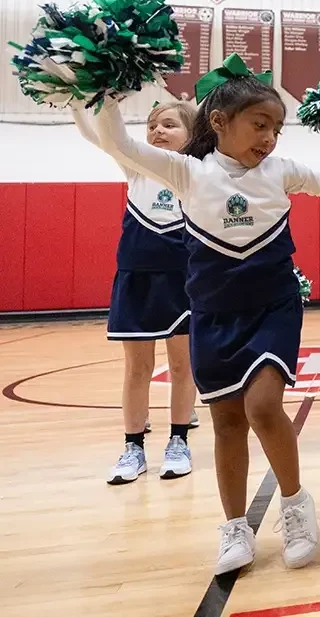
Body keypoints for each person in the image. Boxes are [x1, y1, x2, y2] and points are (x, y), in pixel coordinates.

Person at [93, 55, 320, 573]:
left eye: (276, 127)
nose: (270, 137)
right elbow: (119, 144)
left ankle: (295, 505)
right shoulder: (187, 171)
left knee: (265, 407)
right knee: (227, 423)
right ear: (219, 123)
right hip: (211, 315)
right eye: (260, 124)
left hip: (272, 307)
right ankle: (235, 528)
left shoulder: (282, 170)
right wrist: (103, 91)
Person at [72, 100, 200, 485]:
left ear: (192, 136)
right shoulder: (137, 166)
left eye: (169, 125)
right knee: (137, 369)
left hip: (182, 279)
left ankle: (178, 441)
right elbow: (101, 136)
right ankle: (133, 448)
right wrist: (81, 100)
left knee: (181, 366)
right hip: (137, 278)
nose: (157, 131)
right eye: (151, 125)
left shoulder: (196, 172)